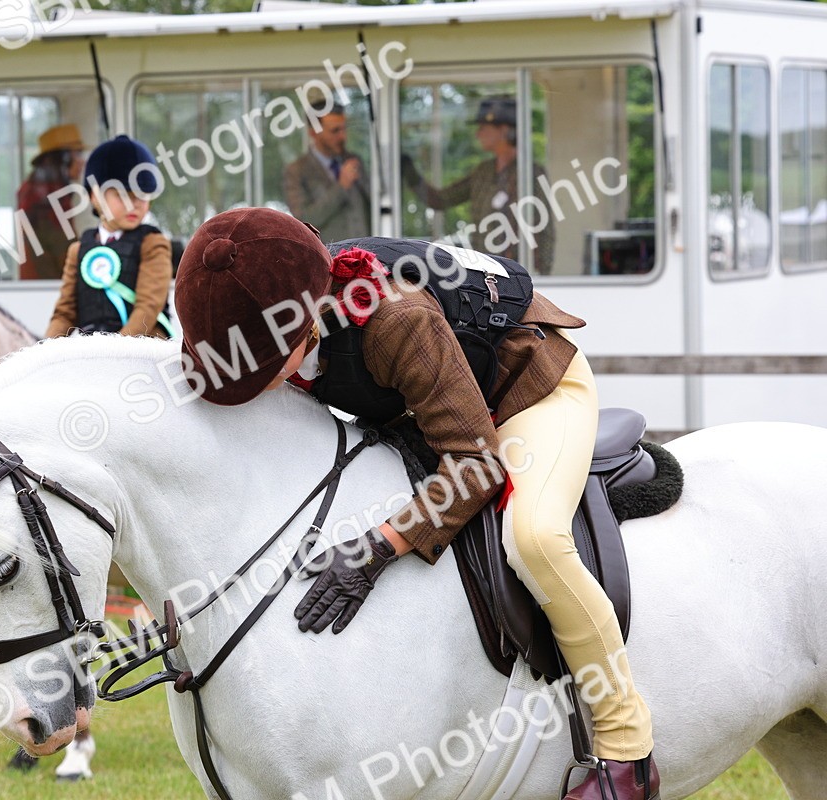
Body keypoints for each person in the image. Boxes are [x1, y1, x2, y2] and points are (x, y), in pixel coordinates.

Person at [173, 207, 659, 800]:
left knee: (534, 538)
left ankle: (626, 750)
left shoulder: (395, 319)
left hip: (528, 390)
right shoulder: (264, 307)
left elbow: (476, 466)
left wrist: (381, 544)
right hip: (430, 404)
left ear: (302, 329)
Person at [402, 96, 555, 274]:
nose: (477, 134)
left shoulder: (530, 173)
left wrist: (541, 275)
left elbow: (544, 229)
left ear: (503, 130)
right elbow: (440, 200)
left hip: (517, 275)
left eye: (483, 128)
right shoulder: (483, 172)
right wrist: (409, 171)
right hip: (484, 271)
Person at [45, 135, 173, 339]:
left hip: (143, 349)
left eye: (142, 195)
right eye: (123, 195)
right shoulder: (77, 251)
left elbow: (148, 307)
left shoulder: (153, 244)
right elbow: (64, 313)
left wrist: (114, 352)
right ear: (95, 196)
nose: (135, 204)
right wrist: (43, 352)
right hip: (93, 351)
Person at [282, 96, 371, 243]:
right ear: (313, 133)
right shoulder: (296, 171)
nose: (343, 136)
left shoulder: (354, 161)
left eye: (344, 129)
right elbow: (302, 222)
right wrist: (341, 187)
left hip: (365, 255)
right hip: (327, 261)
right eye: (335, 131)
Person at [17, 124, 87, 280]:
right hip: (51, 287)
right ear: (63, 159)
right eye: (78, 154)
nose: (83, 161)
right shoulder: (46, 199)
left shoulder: (36, 190)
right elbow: (64, 253)